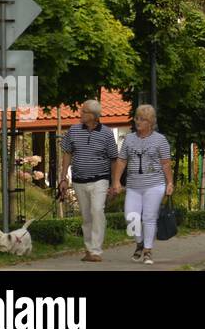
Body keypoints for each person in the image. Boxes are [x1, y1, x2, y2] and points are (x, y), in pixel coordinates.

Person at [109, 104, 173, 265]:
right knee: (131, 217)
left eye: (142, 119)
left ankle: (148, 251)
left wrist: (170, 182)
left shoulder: (160, 140)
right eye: (137, 118)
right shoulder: (129, 139)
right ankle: (140, 243)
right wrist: (116, 181)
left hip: (154, 184)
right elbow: (121, 161)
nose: (138, 121)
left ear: (150, 122)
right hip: (133, 185)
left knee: (149, 217)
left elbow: (166, 163)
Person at [59, 99, 118, 263]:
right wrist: (63, 178)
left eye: (84, 111)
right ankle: (88, 249)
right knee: (86, 216)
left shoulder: (106, 133)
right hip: (79, 180)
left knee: (97, 210)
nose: (80, 114)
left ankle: (96, 250)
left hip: (100, 179)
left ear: (93, 116)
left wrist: (114, 183)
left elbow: (114, 159)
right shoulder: (73, 130)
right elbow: (67, 153)